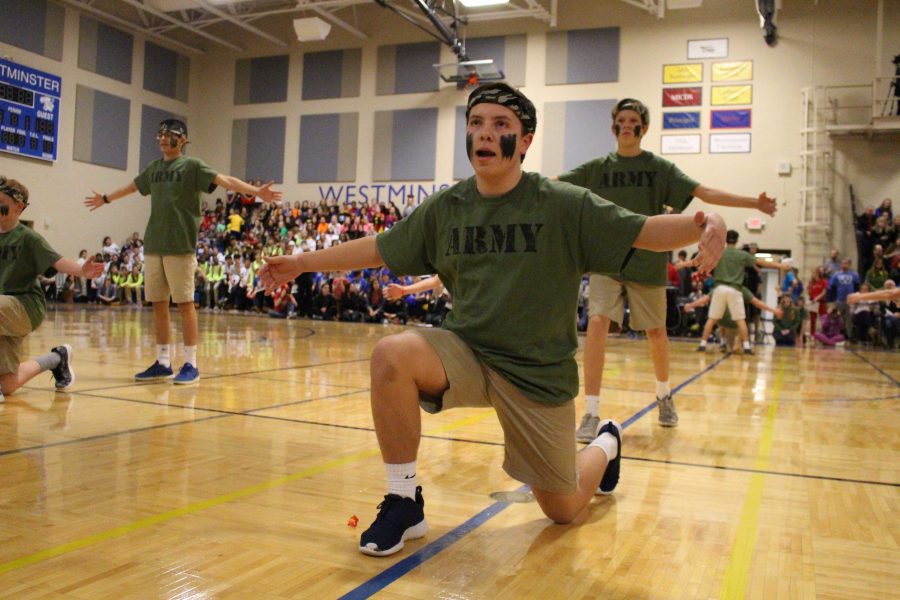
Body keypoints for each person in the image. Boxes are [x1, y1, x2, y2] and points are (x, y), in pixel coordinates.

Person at [258, 83, 727, 557]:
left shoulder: (562, 203)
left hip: (537, 373)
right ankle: (404, 500)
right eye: (476, 123)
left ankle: (605, 442)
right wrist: (303, 262)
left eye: (501, 125)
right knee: (392, 354)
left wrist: (705, 224)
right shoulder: (447, 208)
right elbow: (381, 248)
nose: (485, 134)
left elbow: (644, 231)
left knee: (562, 510)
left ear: (525, 141)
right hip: (469, 353)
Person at [556, 97, 776, 433]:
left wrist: (753, 204)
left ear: (643, 128)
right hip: (606, 259)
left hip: (648, 260)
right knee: (597, 323)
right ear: (613, 126)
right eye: (622, 120)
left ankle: (664, 395)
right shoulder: (597, 168)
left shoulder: (658, 168)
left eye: (633, 121)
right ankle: (591, 410)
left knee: (656, 332)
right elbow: (552, 185)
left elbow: (705, 192)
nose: (627, 125)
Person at [84, 119, 282, 385]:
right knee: (158, 304)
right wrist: (106, 198)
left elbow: (225, 180)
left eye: (169, 135)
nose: (163, 139)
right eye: (161, 135)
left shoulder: (192, 166)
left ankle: (191, 363)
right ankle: (163, 362)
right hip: (154, 243)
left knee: (185, 304)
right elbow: (133, 186)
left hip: (180, 244)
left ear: (183, 140)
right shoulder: (154, 168)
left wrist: (255, 191)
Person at [0, 176, 105, 402]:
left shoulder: (28, 238)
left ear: (18, 206)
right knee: (7, 384)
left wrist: (82, 271)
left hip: (25, 306)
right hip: (4, 312)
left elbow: (56, 261)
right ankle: (57, 359)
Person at [696, 230, 791, 354]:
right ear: (736, 241)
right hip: (735, 289)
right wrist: (779, 266)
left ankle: (702, 344)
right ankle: (746, 346)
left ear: (725, 239)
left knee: (712, 318)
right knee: (741, 320)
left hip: (719, 288)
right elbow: (760, 262)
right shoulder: (741, 254)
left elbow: (704, 261)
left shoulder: (718, 252)